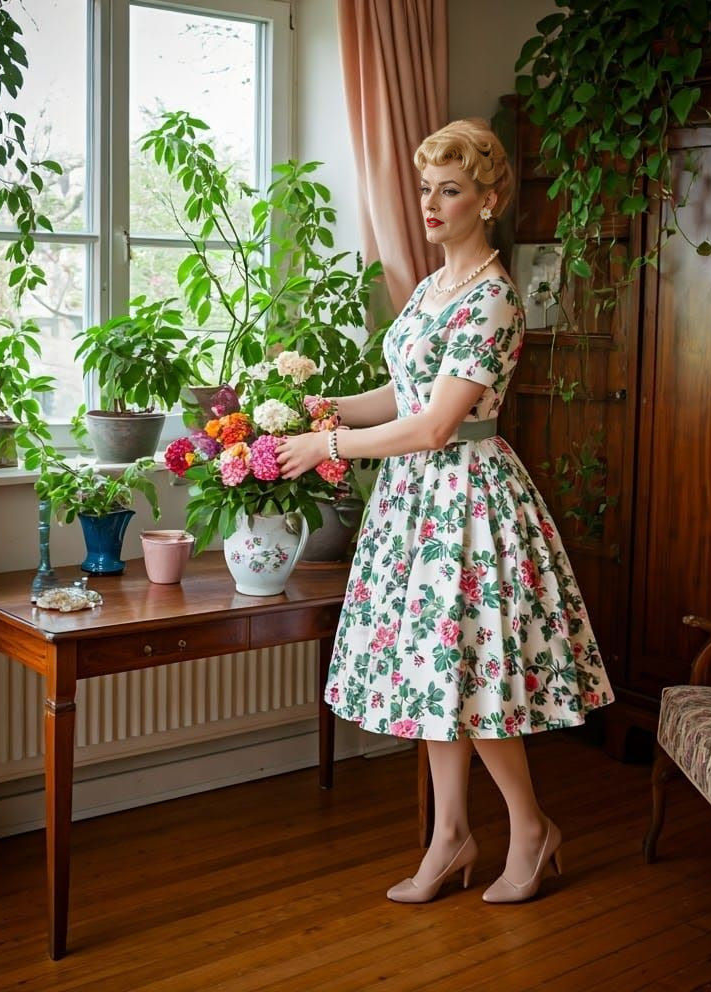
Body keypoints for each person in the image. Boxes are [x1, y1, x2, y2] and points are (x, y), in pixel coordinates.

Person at [275, 118, 614, 904]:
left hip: (466, 499)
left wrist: (329, 445)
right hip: (412, 504)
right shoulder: (433, 288)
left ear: (488, 199)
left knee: (477, 680)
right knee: (436, 675)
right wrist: (323, 406)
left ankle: (530, 831)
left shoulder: (494, 299)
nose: (430, 203)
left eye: (449, 190)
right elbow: (404, 394)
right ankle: (452, 837)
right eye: (426, 188)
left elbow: (435, 425)